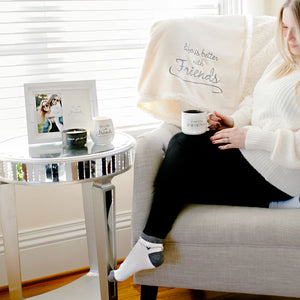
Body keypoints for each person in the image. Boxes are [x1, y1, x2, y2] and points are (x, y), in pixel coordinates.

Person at [108, 0, 300, 282]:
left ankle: (149, 244)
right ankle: (150, 244)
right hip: (253, 153)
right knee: (181, 153)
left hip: (278, 171)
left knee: (184, 148)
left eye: (297, 29)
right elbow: (255, 99)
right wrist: (232, 121)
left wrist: (251, 137)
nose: (289, 37)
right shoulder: (284, 59)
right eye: (284, 28)